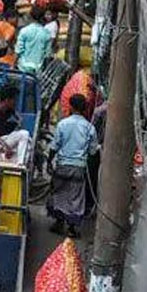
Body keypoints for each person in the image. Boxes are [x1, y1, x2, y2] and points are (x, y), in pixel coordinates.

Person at [47, 94, 98, 238]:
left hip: (62, 164)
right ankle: (72, 227)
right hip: (79, 167)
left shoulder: (63, 124)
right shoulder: (90, 128)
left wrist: (49, 161)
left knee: (59, 193)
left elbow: (55, 145)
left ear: (71, 106)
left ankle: (58, 223)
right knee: (76, 197)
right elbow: (93, 151)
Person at [0, 82, 31, 164]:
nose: (16, 102)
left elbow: (19, 123)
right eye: (14, 99)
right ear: (7, 100)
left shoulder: (11, 111)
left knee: (26, 136)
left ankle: (20, 164)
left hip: (5, 141)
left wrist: (19, 122)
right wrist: (3, 144)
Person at [15, 7, 53, 74]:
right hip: (37, 70)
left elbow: (18, 50)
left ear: (31, 17)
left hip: (22, 68)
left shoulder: (24, 31)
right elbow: (47, 55)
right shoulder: (47, 34)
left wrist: (14, 64)